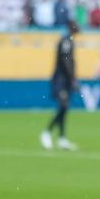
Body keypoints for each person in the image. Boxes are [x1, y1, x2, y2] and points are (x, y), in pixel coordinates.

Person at [40, 20, 80, 151]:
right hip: (61, 80)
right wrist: (72, 78)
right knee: (63, 106)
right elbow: (65, 61)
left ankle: (62, 138)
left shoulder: (69, 41)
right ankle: (47, 132)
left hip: (65, 80)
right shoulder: (66, 41)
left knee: (64, 108)